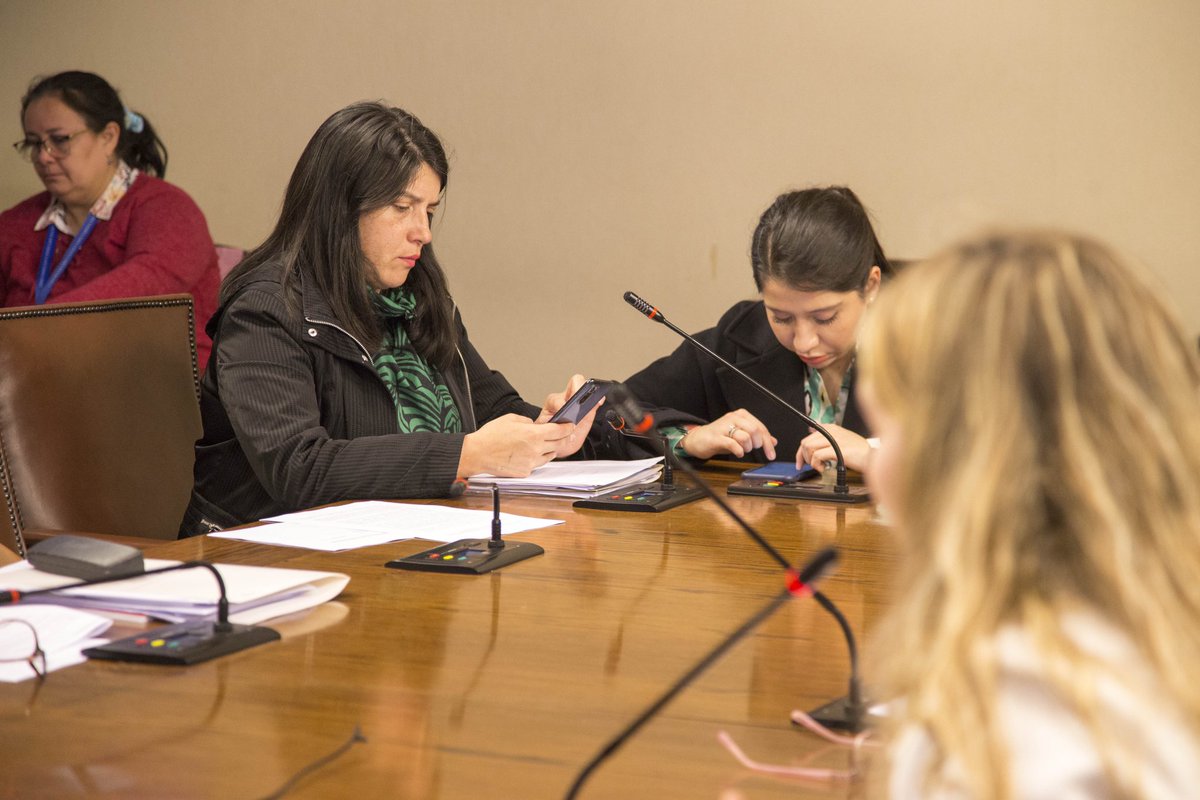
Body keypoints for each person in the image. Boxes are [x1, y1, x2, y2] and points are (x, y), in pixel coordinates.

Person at [857, 230, 1200, 798]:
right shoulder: (1152, 627)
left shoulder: (1024, 720)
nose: (873, 467)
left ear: (972, 457)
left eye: (885, 426)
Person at [180, 101, 598, 535]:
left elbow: (491, 407)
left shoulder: (418, 301)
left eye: (429, 211)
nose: (424, 232)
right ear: (340, 207)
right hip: (262, 561)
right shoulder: (265, 311)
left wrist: (548, 434)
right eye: (402, 207)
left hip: (401, 545)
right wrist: (466, 455)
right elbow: (299, 468)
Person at [619, 187, 891, 472]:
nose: (804, 342)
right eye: (782, 318)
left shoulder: (928, 343)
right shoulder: (740, 339)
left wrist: (876, 456)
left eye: (824, 318)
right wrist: (689, 439)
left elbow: (943, 463)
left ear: (870, 286)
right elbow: (617, 413)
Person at [0, 71, 220, 367]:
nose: (43, 156)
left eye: (59, 140)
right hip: (36, 388)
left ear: (108, 137)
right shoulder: (15, 223)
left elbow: (139, 294)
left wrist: (22, 331)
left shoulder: (167, 208)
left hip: (151, 390)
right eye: (34, 143)